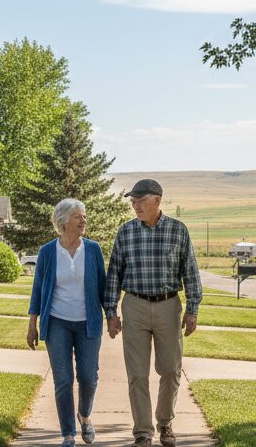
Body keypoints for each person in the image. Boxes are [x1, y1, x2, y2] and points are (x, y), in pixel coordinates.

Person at [104, 179, 202, 447]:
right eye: (132, 201)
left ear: (157, 201)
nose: (135, 206)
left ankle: (165, 423)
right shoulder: (125, 232)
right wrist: (111, 313)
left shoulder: (178, 230)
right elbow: (114, 275)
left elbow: (190, 272)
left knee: (170, 369)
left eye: (140, 200)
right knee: (137, 374)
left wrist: (192, 309)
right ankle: (143, 432)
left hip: (168, 306)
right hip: (134, 305)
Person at [27, 198, 106, 446]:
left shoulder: (92, 250)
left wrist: (112, 315)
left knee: (88, 377)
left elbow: (103, 288)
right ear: (64, 221)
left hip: (87, 323)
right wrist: (32, 324)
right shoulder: (48, 252)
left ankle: (85, 415)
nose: (84, 220)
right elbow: (38, 290)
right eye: (78, 216)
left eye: (84, 216)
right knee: (63, 380)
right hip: (57, 322)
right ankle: (68, 433)